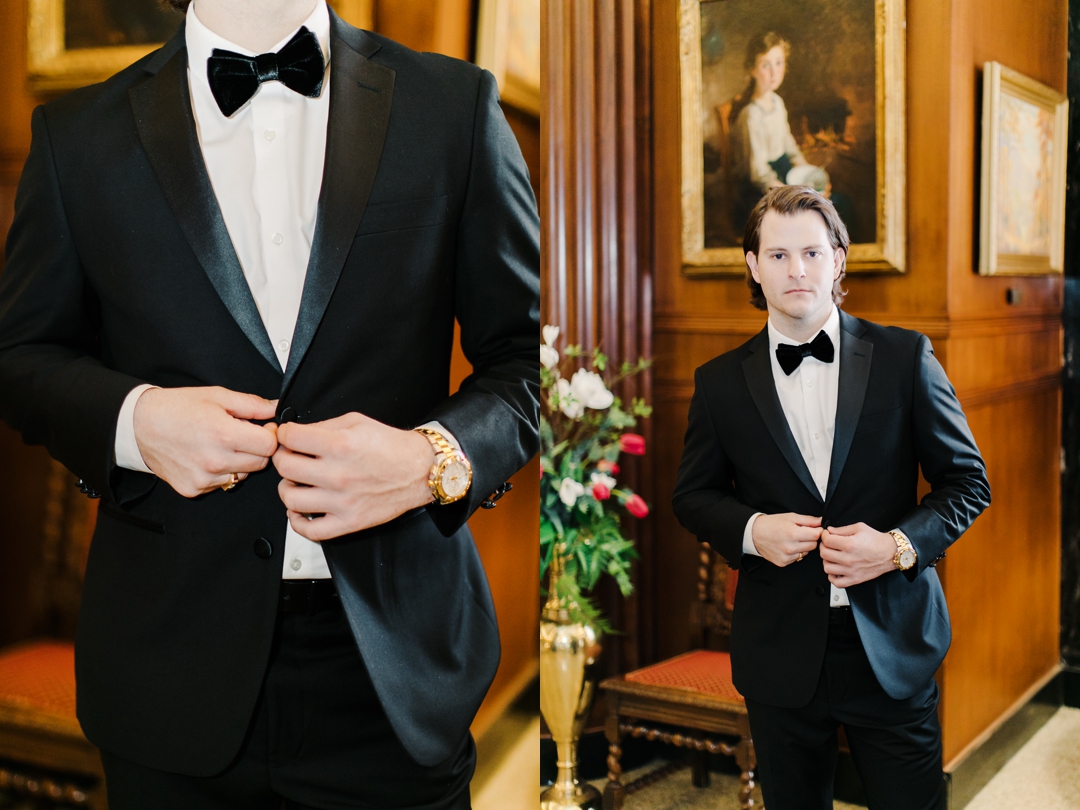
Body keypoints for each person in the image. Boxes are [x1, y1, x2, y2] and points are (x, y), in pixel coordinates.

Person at [0, 0, 539, 807]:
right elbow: (21, 358)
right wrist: (135, 423)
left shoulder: (455, 105)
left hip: (397, 673)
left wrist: (432, 459)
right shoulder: (75, 134)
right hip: (167, 670)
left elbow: (529, 360)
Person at [672, 185, 989, 810]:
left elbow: (967, 482)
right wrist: (752, 530)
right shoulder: (718, 384)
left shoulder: (905, 357)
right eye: (780, 255)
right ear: (753, 266)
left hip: (891, 642)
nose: (797, 270)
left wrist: (897, 547)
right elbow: (693, 496)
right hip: (779, 650)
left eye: (813, 253)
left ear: (839, 260)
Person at [727, 32, 829, 199]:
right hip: (760, 189)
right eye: (766, 65)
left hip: (783, 170)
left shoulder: (778, 102)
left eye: (779, 63)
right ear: (752, 70)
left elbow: (789, 145)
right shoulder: (751, 115)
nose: (774, 72)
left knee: (836, 202)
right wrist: (792, 195)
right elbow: (758, 173)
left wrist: (810, 175)